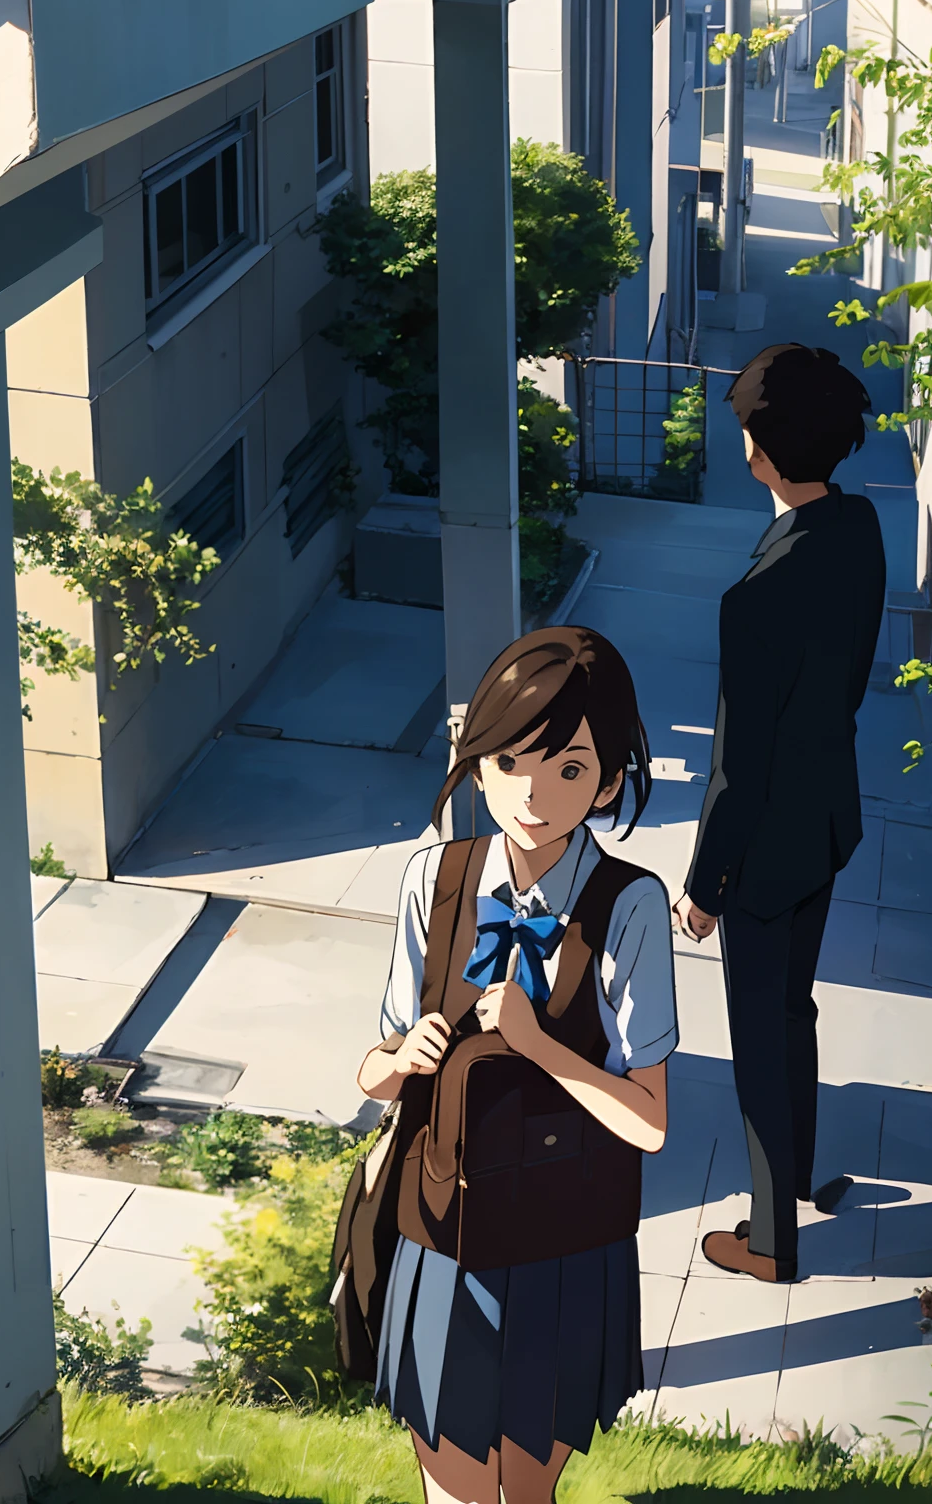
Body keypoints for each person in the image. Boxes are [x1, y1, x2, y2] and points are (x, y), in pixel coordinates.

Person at [358, 627, 677, 1504]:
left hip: (563, 1241)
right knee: (451, 1480)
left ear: (609, 780)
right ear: (480, 761)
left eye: (570, 769)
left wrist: (540, 1048)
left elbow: (649, 1122)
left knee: (526, 1484)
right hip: (440, 1229)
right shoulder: (436, 878)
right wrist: (396, 1061)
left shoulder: (630, 906)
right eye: (513, 763)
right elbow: (376, 1068)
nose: (535, 794)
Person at [675, 342, 886, 1284]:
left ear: (761, 448)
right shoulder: (861, 528)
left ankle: (770, 1243)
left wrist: (703, 882)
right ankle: (795, 1179)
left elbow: (738, 761)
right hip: (827, 820)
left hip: (763, 850)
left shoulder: (757, 594)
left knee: (760, 1038)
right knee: (791, 1010)